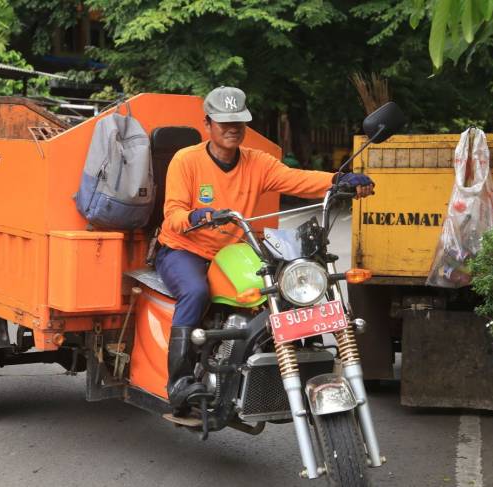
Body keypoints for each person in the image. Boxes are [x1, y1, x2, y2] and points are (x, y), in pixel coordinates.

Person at [154, 86, 375, 413]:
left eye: (239, 123)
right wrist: (196, 215)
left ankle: (280, 363)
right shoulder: (186, 161)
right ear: (208, 124)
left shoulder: (257, 162)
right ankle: (181, 383)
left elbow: (296, 179)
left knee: (283, 286)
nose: (232, 129)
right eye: (224, 122)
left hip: (233, 252)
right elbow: (171, 216)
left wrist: (338, 181)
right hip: (184, 250)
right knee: (195, 292)